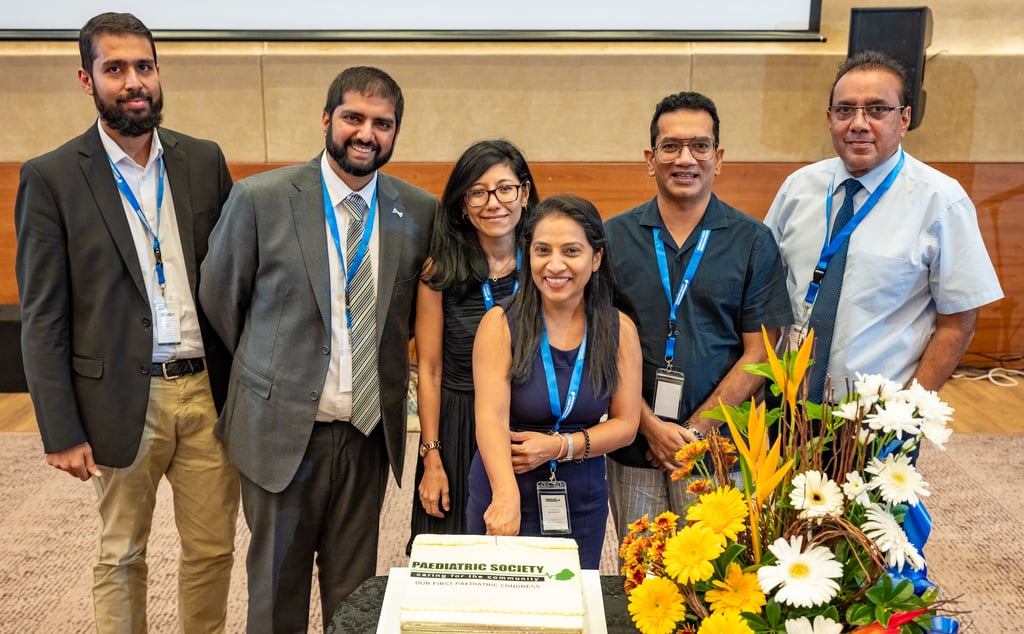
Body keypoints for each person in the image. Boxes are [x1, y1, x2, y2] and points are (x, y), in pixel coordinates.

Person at [14, 12, 238, 633]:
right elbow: (43, 315)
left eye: (144, 66)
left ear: (158, 72)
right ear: (87, 80)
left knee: (213, 549)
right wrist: (60, 428)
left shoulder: (203, 160)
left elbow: (235, 279)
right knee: (121, 552)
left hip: (207, 390)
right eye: (115, 69)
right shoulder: (52, 177)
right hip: (118, 395)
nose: (133, 81)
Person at [199, 66, 437, 632]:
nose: (367, 134)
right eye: (354, 117)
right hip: (281, 430)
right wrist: (272, 372)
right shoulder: (260, 198)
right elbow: (221, 300)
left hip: (366, 436)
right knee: (275, 593)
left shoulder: (417, 210)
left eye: (382, 123)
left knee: (353, 598)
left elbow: (407, 321)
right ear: (327, 118)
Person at [603, 91, 793, 542]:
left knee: (718, 568)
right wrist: (650, 427)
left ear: (718, 158)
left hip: (721, 448)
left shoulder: (753, 241)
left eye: (700, 146)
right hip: (635, 446)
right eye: (670, 146)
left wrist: (692, 432)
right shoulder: (612, 237)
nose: (685, 158)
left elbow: (761, 352)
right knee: (643, 569)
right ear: (650, 158)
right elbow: (599, 344)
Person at [764, 51, 1003, 402]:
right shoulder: (797, 189)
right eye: (845, 110)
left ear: (904, 119)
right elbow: (763, 290)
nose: (858, 124)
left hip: (874, 411)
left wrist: (906, 408)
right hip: (784, 404)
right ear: (830, 118)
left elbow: (958, 323)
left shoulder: (941, 201)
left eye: (877, 109)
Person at [467, 194, 642, 569]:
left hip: (581, 490)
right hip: (506, 481)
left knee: (571, 595)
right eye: (542, 250)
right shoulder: (499, 324)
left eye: (571, 251)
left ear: (596, 258)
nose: (555, 264)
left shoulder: (620, 330)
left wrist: (558, 446)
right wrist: (505, 496)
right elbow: (490, 418)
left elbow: (626, 424)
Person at [409, 140, 540, 548]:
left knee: (525, 554)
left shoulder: (545, 267)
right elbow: (430, 370)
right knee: (452, 556)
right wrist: (431, 456)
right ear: (463, 205)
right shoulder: (440, 271)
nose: (493, 203)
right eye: (478, 192)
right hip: (459, 423)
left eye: (505, 189)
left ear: (525, 194)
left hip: (526, 422)